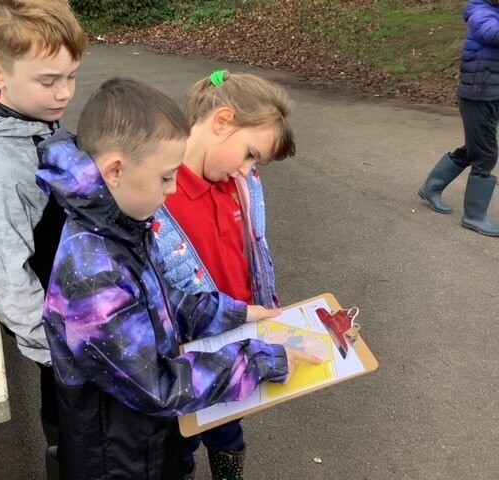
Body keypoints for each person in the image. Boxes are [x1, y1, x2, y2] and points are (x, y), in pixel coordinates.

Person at [36, 77, 320, 480]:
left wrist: (238, 314)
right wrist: (259, 360)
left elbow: (167, 300)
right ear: (116, 170)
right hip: (122, 458)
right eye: (166, 177)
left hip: (144, 440)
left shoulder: (122, 224)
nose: (172, 191)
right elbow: (157, 386)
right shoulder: (93, 276)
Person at [0, 0, 86, 477]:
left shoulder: (33, 118)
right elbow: (8, 280)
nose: (64, 92)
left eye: (71, 76)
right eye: (49, 81)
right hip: (58, 331)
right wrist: (62, 354)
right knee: (74, 433)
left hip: (76, 308)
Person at [154, 69, 296, 480]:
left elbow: (253, 247)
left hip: (236, 339)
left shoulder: (242, 181)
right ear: (222, 121)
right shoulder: (157, 189)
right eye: (250, 153)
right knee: (177, 443)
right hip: (184, 353)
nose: (248, 169)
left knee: (228, 432)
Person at [418, 0, 499, 237]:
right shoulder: (480, 12)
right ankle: (474, 216)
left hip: (490, 94)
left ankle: (431, 187)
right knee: (485, 153)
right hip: (477, 96)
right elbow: (493, 34)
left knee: (476, 147)